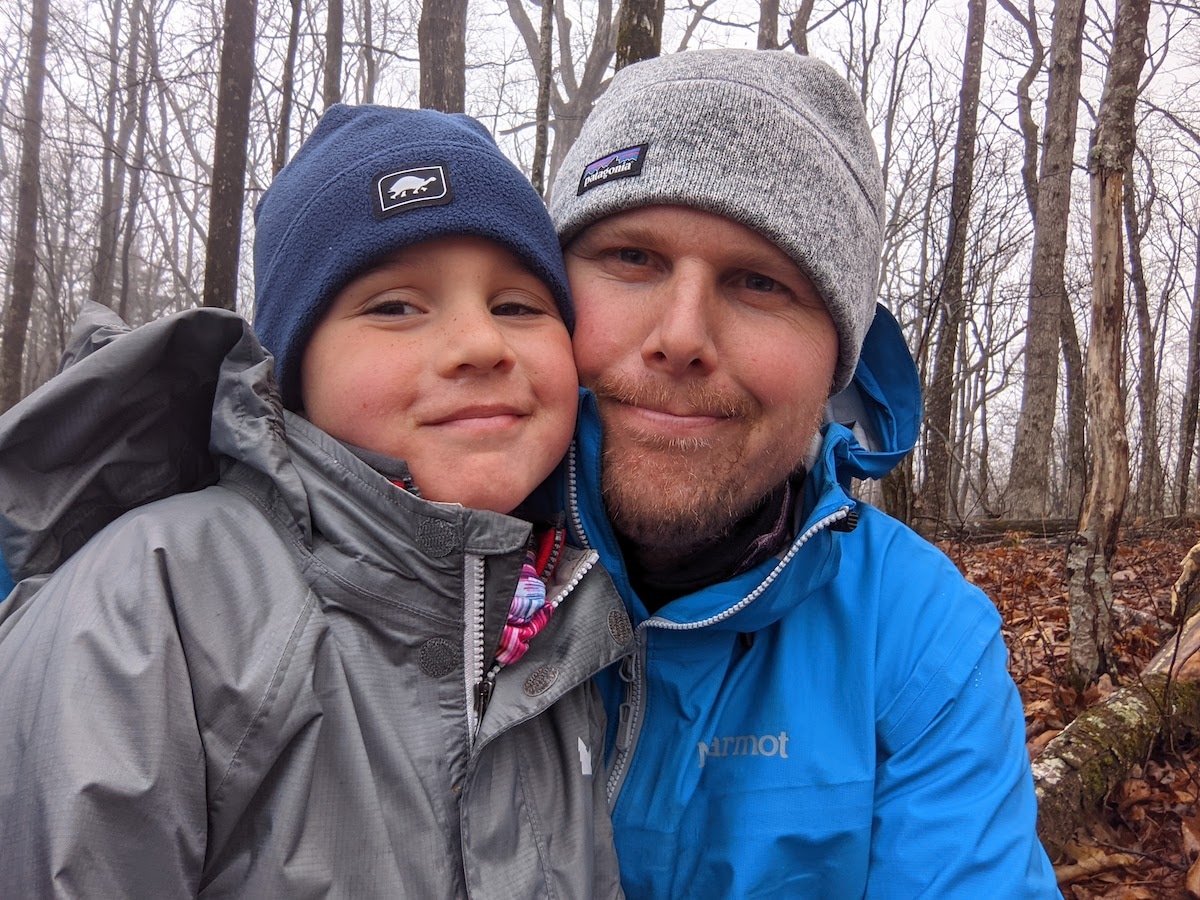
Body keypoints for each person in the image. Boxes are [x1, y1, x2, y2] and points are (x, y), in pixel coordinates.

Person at [0, 105, 632, 897]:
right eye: (396, 306)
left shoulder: (563, 623)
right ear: (294, 373)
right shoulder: (155, 599)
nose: (481, 343)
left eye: (518, 306)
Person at [546, 49, 1060, 896]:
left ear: (836, 370)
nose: (681, 335)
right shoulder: (413, 569)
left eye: (760, 282)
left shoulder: (921, 639)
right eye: (632, 258)